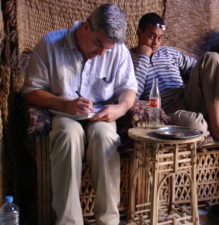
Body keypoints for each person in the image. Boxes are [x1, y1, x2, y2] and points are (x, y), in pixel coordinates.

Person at [21, 4, 138, 225]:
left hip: (101, 114)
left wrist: (119, 108)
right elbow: (31, 92)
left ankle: (109, 221)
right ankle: (68, 221)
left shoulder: (118, 50)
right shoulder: (49, 45)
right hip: (63, 112)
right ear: (86, 27)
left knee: (105, 138)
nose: (101, 53)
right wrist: (63, 104)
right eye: (97, 44)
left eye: (108, 50)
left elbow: (129, 89)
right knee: (68, 134)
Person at [130, 12, 219, 150]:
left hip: (187, 96)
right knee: (195, 126)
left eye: (160, 38)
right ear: (139, 33)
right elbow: (135, 94)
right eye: (151, 36)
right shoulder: (127, 59)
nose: (156, 43)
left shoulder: (169, 53)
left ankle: (217, 126)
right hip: (167, 111)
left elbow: (200, 67)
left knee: (212, 57)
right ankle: (205, 126)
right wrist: (144, 57)